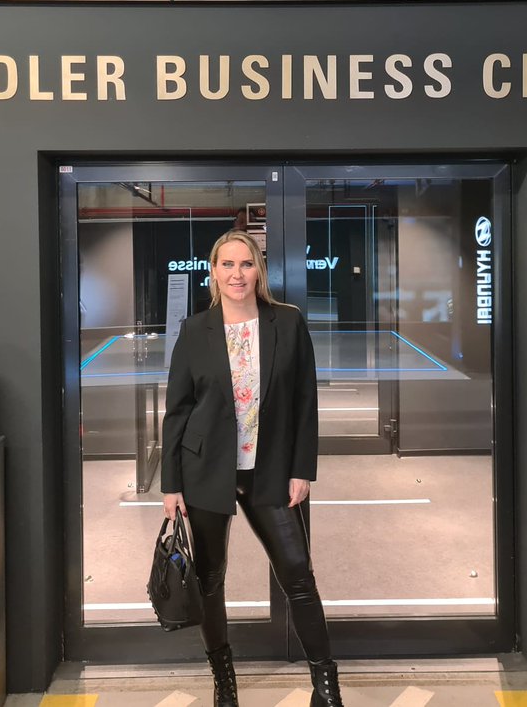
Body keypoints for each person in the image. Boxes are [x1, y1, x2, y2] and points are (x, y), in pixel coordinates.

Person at [161, 230, 343, 707]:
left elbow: (305, 401)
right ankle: (224, 683)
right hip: (205, 470)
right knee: (209, 581)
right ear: (213, 271)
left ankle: (326, 685)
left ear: (258, 270)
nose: (237, 274)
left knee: (298, 574)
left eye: (246, 264)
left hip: (272, 470)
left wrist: (301, 469)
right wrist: (170, 484)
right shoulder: (194, 330)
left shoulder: (288, 322)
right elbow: (177, 411)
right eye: (227, 264)